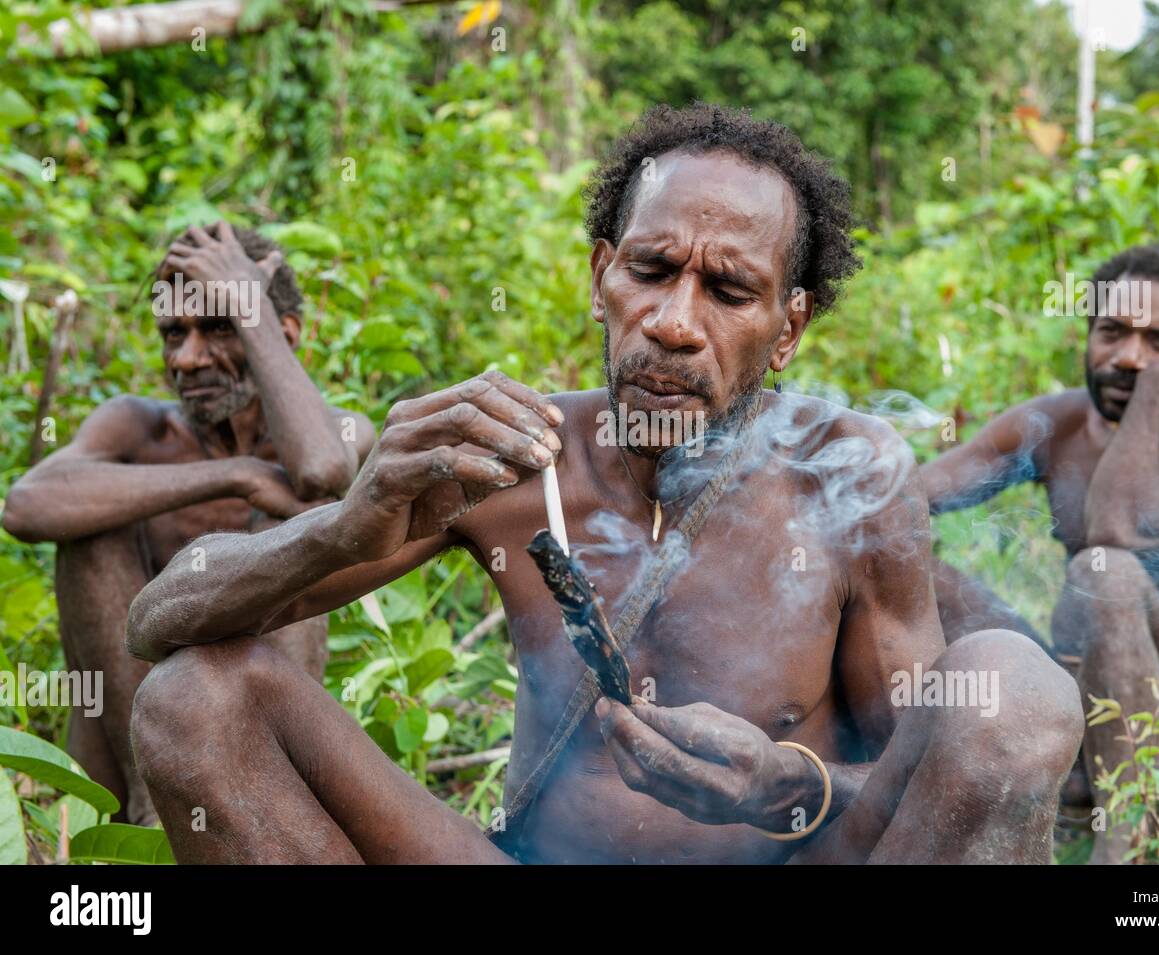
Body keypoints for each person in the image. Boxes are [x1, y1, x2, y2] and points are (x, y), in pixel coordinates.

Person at [125, 104, 1081, 864]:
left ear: (788, 330)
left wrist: (783, 781)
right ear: (600, 276)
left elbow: (921, 791)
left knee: (1015, 689)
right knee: (193, 698)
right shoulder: (506, 453)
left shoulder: (846, 477)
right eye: (651, 270)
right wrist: (346, 524)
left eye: (729, 290)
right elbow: (156, 619)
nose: (672, 321)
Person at [921, 243, 1159, 863]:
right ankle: (905, 768)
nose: (1128, 358)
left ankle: (1126, 844)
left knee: (1104, 570)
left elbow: (1118, 533)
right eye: (1111, 332)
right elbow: (904, 495)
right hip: (1075, 701)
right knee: (902, 563)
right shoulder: (1058, 423)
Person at [2, 222, 374, 824]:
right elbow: (26, 506)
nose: (187, 357)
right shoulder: (138, 427)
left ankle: (252, 800)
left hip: (252, 746)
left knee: (295, 515)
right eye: (174, 332)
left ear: (280, 335)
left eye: (218, 327)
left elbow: (323, 469)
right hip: (126, 752)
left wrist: (250, 301)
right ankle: (156, 806)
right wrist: (236, 473)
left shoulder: (335, 427)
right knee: (89, 533)